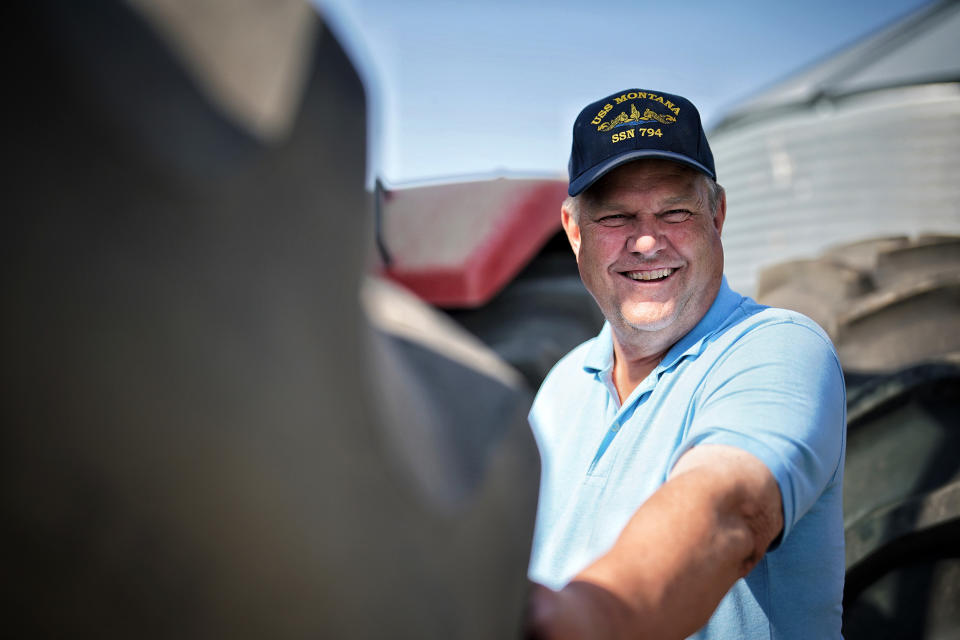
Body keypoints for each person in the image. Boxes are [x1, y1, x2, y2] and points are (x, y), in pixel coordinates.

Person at [524, 89, 846, 639]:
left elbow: (729, 509)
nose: (647, 241)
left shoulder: (777, 348)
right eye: (616, 217)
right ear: (574, 231)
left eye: (675, 212)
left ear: (717, 215)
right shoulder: (562, 386)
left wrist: (585, 623)